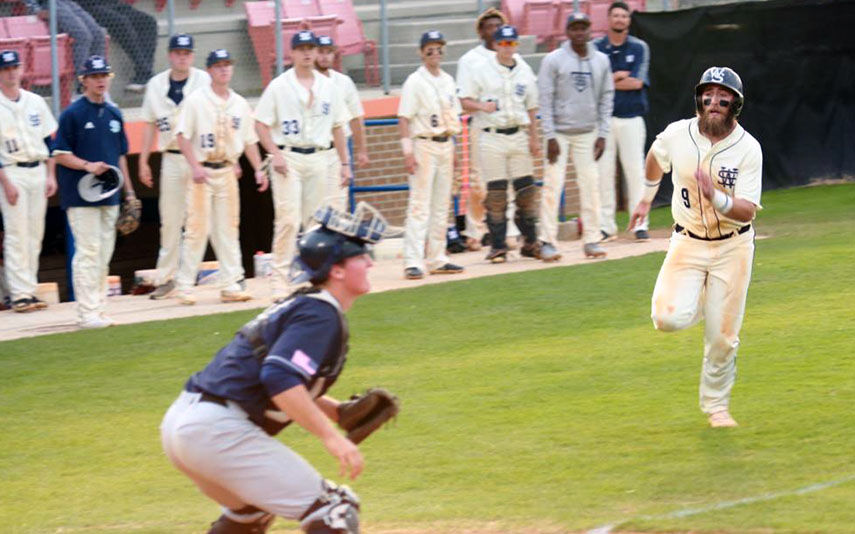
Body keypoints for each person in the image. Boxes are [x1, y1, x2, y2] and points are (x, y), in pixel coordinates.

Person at [160, 203, 386, 534]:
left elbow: (273, 376)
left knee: (251, 512)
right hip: (218, 431)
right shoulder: (320, 315)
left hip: (184, 424)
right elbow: (279, 379)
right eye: (361, 256)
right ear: (336, 270)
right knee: (335, 509)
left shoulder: (301, 304)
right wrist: (330, 437)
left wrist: (339, 413)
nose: (369, 263)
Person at [629, 67, 762, 428]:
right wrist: (645, 198)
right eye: (709, 94)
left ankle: (717, 407)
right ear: (699, 98)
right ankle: (706, 301)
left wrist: (715, 197)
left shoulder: (748, 148)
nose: (715, 101)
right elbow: (656, 157)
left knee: (722, 339)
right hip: (687, 242)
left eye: (724, 96)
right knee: (666, 318)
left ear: (736, 103)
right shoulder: (677, 134)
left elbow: (747, 209)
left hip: (733, 247)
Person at [254, 30, 351, 300]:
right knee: (287, 218)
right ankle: (279, 280)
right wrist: (275, 153)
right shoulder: (280, 85)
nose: (308, 53)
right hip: (290, 156)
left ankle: (310, 275)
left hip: (320, 155)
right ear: (293, 53)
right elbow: (260, 123)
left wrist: (345, 163)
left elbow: (338, 126)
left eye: (312, 48)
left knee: (314, 221)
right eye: (303, 48)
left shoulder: (328, 86)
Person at [173, 48, 269, 305]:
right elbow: (181, 135)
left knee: (228, 229)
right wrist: (194, 165)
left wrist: (258, 168)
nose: (224, 69)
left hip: (226, 168)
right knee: (196, 229)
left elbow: (249, 140)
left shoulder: (239, 103)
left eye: (227, 65)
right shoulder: (196, 100)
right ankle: (183, 285)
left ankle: (231, 283)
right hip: (203, 169)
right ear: (209, 70)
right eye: (218, 66)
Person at [52, 55, 137, 328]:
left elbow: (121, 155)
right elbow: (60, 154)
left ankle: (99, 309)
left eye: (104, 76)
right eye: (95, 76)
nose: (100, 80)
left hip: (110, 194)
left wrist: (130, 192)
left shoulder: (114, 114)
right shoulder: (72, 114)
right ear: (84, 81)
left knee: (104, 253)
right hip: (80, 195)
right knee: (88, 252)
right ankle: (86, 312)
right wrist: (89, 166)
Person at [459, 25, 550, 264]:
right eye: (503, 43)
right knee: (496, 193)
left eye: (512, 44)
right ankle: (498, 245)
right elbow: (464, 100)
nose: (507, 48)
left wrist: (534, 137)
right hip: (492, 134)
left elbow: (531, 106)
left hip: (518, 132)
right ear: (496, 44)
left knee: (526, 191)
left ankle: (530, 242)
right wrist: (481, 107)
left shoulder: (524, 69)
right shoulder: (481, 69)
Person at [138, 34, 211, 300]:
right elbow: (148, 123)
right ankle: (166, 277)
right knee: (169, 220)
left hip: (199, 158)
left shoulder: (203, 80)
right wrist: (144, 160)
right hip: (170, 156)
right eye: (178, 52)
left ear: (192, 55)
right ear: (170, 55)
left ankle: (187, 278)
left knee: (198, 221)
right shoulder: (156, 84)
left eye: (187, 52)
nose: (183, 56)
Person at [537, 12, 614, 259]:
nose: (579, 33)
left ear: (590, 30)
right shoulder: (553, 60)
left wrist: (602, 133)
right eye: (575, 28)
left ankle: (591, 240)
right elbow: (545, 99)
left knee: (591, 186)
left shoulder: (601, 60)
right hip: (558, 133)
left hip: (588, 132)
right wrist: (549, 135)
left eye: (583, 28)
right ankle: (546, 241)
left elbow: (606, 98)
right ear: (567, 32)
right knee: (552, 186)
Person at [397, 31, 464, 280]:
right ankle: (412, 260)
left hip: (445, 142)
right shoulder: (415, 81)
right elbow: (404, 118)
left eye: (438, 48)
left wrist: (455, 149)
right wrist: (407, 152)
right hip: (424, 143)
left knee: (441, 205)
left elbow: (453, 115)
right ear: (421, 51)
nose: (434, 52)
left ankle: (437, 257)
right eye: (429, 48)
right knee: (419, 205)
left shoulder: (447, 79)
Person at [455, 7, 522, 252]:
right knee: (478, 182)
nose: (494, 30)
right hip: (482, 128)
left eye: (498, 25)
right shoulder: (470, 60)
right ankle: (476, 230)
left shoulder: (514, 58)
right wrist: (483, 106)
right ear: (481, 31)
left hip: (510, 128)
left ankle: (509, 231)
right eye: (489, 26)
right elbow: (463, 98)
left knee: (510, 182)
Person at [0, 49, 58, 312]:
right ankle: (19, 294)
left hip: (38, 169)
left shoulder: (35, 101)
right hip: (11, 171)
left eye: (15, 67)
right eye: (5, 68)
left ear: (21, 69)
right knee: (16, 233)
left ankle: (29, 289)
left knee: (35, 233)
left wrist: (51, 174)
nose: (11, 72)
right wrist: (5, 182)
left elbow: (50, 140)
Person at [594, 1, 651, 242]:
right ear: (608, 19)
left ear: (628, 20)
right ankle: (606, 227)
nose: (619, 20)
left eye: (623, 16)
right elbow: (594, 85)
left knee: (635, 172)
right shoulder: (595, 48)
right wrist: (616, 78)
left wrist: (609, 80)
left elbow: (637, 82)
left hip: (631, 118)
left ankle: (640, 224)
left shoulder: (639, 47)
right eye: (615, 15)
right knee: (603, 173)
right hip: (603, 121)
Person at [315, 35, 370, 212]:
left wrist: (362, 149)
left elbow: (356, 117)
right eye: (321, 52)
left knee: (338, 203)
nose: (325, 57)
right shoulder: (306, 81)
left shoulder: (343, 82)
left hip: (338, 150)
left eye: (329, 52)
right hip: (313, 150)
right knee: (315, 205)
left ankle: (334, 240)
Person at [75, 0, 157, 92]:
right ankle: (144, 70)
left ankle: (144, 75)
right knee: (121, 22)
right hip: (87, 6)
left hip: (111, 3)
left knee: (148, 22)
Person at [23, 0, 107, 77]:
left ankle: (98, 76)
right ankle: (83, 83)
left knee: (98, 35)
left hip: (68, 2)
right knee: (82, 35)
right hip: (49, 3)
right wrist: (35, 9)